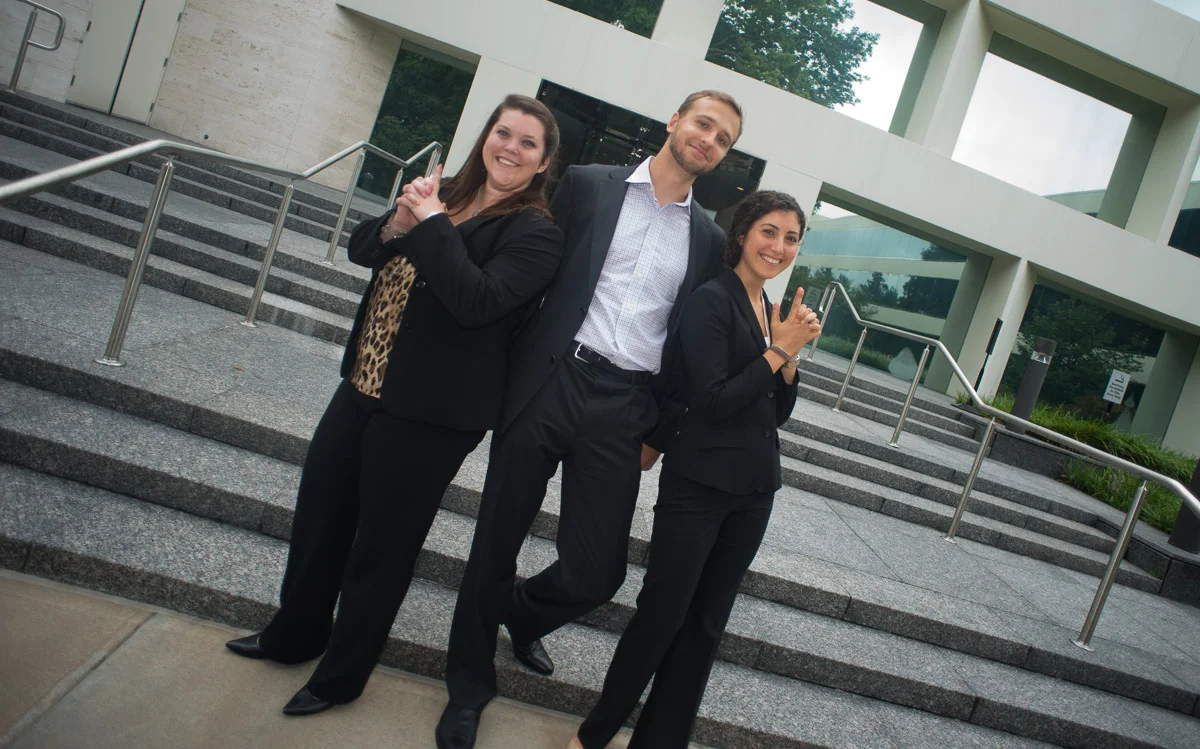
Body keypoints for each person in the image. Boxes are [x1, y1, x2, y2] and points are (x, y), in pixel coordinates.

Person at [223, 94, 564, 716]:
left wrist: (431, 223)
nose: (510, 148)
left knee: (381, 550)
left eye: (527, 143)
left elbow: (477, 301)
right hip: (363, 382)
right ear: (486, 136)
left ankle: (341, 676)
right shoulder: (448, 192)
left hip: (432, 415)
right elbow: (363, 249)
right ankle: (294, 633)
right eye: (502, 133)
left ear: (543, 164)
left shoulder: (536, 233)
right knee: (319, 517)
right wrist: (397, 224)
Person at [437, 90, 744, 749]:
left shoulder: (710, 238)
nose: (709, 140)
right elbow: (533, 270)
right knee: (495, 539)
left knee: (597, 571)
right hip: (552, 378)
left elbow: (691, 346)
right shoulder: (586, 186)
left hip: (624, 405)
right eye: (703, 124)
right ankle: (467, 686)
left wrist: (658, 434)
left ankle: (518, 616)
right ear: (675, 122)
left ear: (723, 155)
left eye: (723, 138)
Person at [569, 190, 820, 748]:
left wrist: (790, 355)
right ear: (742, 233)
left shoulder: (767, 310)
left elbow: (775, 412)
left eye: (791, 238)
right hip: (698, 487)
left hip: (754, 491)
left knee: (706, 627)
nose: (778, 246)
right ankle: (594, 735)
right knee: (662, 615)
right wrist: (777, 353)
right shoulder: (711, 300)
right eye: (769, 231)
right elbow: (711, 400)